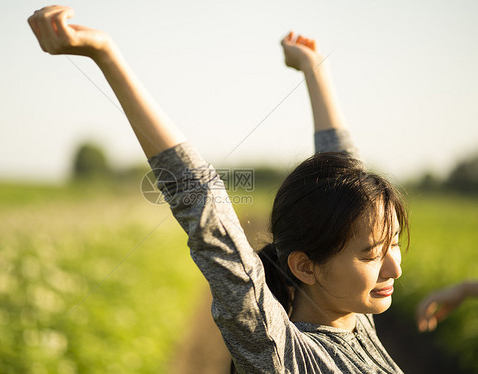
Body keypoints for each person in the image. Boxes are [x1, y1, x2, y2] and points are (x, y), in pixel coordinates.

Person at [28, 6, 409, 373]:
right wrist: (105, 55)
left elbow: (345, 176)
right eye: (372, 254)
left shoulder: (353, 318)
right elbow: (208, 213)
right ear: (306, 266)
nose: (394, 267)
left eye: (392, 242)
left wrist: (314, 69)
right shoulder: (283, 356)